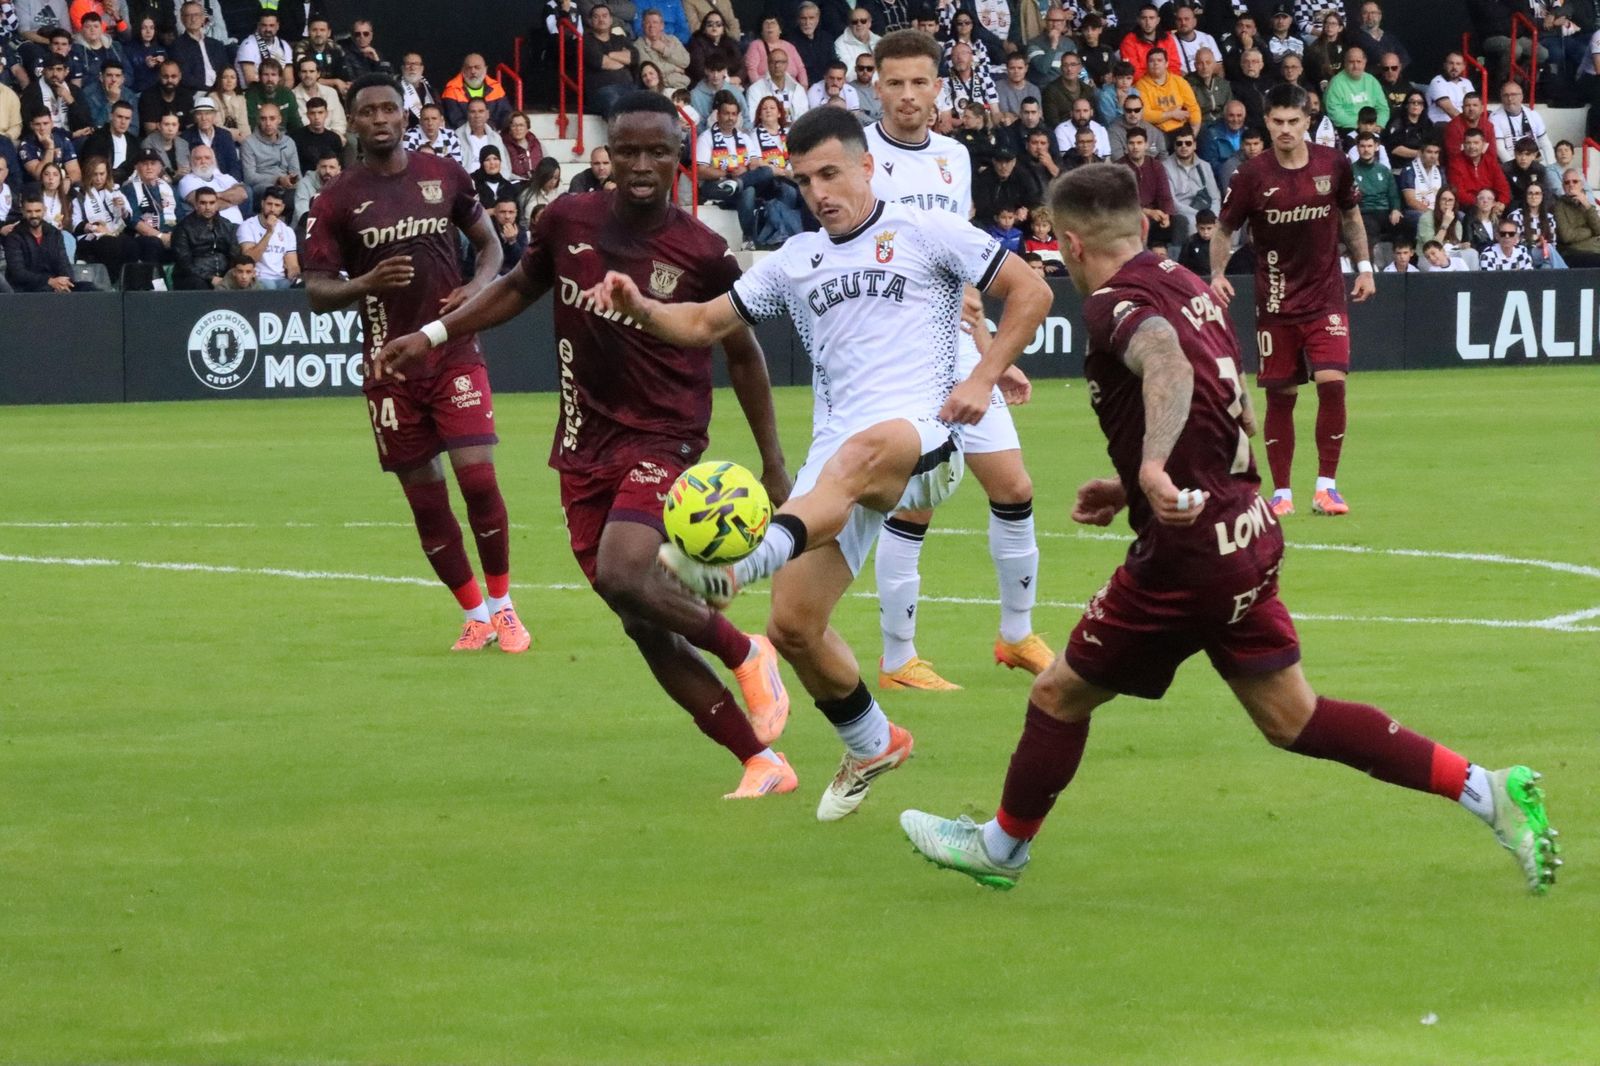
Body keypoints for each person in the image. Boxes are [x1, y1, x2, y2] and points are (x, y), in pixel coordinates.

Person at [897, 161, 1560, 897]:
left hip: (1187, 556)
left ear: (1072, 247)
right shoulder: (1188, 285)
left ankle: (1001, 848)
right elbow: (1231, 400)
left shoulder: (1111, 305)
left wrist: (1149, 469)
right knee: (1292, 717)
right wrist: (1129, 485)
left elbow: (1167, 365)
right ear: (1144, 226)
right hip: (1247, 529)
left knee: (1059, 694)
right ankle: (1486, 790)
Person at [589, 105, 1051, 819]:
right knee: (793, 627)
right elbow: (705, 323)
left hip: (923, 435)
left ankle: (732, 568)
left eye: (831, 174)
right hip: (836, 461)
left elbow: (1033, 289)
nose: (819, 192)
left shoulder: (925, 231)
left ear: (868, 166)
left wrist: (984, 375)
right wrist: (641, 306)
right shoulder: (796, 261)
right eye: (805, 181)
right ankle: (873, 741)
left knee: (867, 451)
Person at [369, 91, 796, 800]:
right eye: (625, 149)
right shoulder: (568, 219)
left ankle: (748, 650)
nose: (639, 163)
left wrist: (774, 459)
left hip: (665, 435)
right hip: (582, 443)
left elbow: (745, 355)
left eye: (656, 151)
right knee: (640, 622)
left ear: (676, 158)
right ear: (606, 155)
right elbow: (516, 287)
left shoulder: (702, 250)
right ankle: (760, 761)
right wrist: (435, 336)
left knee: (628, 572)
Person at [302, 73, 529, 654]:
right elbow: (317, 289)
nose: (380, 118)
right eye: (368, 112)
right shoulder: (335, 200)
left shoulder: (444, 175)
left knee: (478, 477)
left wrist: (477, 289)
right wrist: (368, 281)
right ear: (353, 123)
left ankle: (505, 608)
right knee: (426, 498)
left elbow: (491, 247)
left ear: (405, 116)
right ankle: (474, 614)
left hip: (452, 350)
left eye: (389, 109)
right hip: (388, 368)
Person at [864, 29, 1054, 687]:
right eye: (896, 83)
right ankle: (897, 659)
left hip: (958, 350)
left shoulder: (952, 157)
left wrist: (991, 356)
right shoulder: (857, 157)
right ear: (876, 86)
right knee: (914, 503)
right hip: (897, 361)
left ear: (938, 87)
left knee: (1015, 488)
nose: (909, 95)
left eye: (921, 82)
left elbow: (963, 271)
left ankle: (1016, 635)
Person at [1212, 83, 1369, 519]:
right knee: (1281, 397)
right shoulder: (1250, 176)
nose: (1285, 130)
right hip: (1276, 302)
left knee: (1332, 382)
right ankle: (1282, 492)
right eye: (1277, 122)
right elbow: (1224, 230)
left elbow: (1351, 216)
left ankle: (1327, 487)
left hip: (1326, 298)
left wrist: (1366, 267)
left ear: (1308, 122)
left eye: (1293, 122)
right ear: (1267, 122)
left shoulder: (1333, 164)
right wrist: (1220, 274)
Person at [4, 191, 88, 290]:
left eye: (37, 211)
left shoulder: (54, 233)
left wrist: (65, 282)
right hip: (28, 289)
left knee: (89, 288)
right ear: (23, 212)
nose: (34, 215)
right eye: (29, 211)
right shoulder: (14, 237)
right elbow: (18, 273)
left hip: (55, 285)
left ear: (44, 210)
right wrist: (49, 281)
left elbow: (63, 263)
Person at [170, 183, 237, 288]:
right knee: (199, 284)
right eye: (203, 203)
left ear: (217, 204)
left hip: (223, 275)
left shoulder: (227, 225)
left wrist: (229, 276)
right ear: (196, 204)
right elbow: (184, 263)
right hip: (192, 277)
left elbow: (234, 255)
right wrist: (210, 278)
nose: (208, 207)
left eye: (211, 203)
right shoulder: (183, 228)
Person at [235, 183, 297, 287]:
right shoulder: (247, 226)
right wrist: (269, 232)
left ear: (282, 208)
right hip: (258, 278)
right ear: (262, 203)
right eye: (269, 204)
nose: (272, 209)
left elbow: (293, 264)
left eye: (277, 205)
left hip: (280, 279)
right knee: (270, 286)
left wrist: (294, 276)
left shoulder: (287, 231)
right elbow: (250, 259)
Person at [1161, 125, 1216, 242]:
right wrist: (1199, 214)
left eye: (1188, 143)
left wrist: (1213, 214)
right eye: (1179, 143)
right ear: (1174, 146)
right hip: (1182, 213)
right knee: (1192, 223)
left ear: (1195, 145)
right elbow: (1172, 202)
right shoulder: (1165, 167)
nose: (1184, 147)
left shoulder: (1205, 166)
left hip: (1206, 210)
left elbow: (1215, 197)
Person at [1133, 48, 1198, 143]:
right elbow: (1145, 115)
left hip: (1183, 129)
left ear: (1166, 64)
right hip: (1158, 131)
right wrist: (1172, 114)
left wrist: (1193, 134)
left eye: (1159, 60)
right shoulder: (1141, 86)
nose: (1155, 63)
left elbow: (1193, 108)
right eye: (1151, 61)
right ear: (1147, 65)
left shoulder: (1179, 81)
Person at [1322, 46, 1387, 134]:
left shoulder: (1371, 81)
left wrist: (1378, 124)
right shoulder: (1336, 83)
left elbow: (1383, 108)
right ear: (1345, 63)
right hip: (1349, 130)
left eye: (1359, 62)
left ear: (1364, 62)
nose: (1355, 66)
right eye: (1351, 62)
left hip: (1374, 128)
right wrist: (1361, 127)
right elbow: (1335, 114)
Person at [176, 142, 245, 222]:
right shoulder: (187, 181)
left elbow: (243, 194)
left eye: (207, 158)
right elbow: (204, 206)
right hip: (212, 229)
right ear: (191, 161)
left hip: (238, 226)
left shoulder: (224, 177)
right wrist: (232, 200)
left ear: (213, 160)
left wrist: (217, 195)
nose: (203, 161)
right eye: (198, 158)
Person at [241, 101, 298, 198]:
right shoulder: (249, 143)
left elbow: (296, 172)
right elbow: (249, 178)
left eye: (272, 118)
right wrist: (278, 179)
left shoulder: (289, 142)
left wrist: (292, 180)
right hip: (262, 186)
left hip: (286, 184)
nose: (268, 123)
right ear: (258, 120)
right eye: (263, 119)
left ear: (279, 119)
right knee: (274, 191)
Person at [441, 53, 511, 130]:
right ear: (463, 70)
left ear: (485, 69)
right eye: (469, 68)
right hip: (461, 135)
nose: (473, 71)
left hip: (493, 132)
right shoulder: (451, 89)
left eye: (477, 67)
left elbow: (506, 114)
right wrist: (476, 132)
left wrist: (488, 129)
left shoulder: (496, 87)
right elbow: (455, 120)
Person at [1491, 80, 1553, 165]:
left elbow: (1545, 143)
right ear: (1501, 98)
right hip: (1510, 163)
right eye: (1506, 95)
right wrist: (1515, 169)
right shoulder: (1495, 118)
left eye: (1513, 95)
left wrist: (1551, 165)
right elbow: (1500, 149)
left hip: (1536, 161)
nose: (1509, 98)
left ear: (1521, 97)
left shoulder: (1533, 114)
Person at [1507, 181, 1566, 268]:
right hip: (1524, 254)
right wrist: (1534, 244)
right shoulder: (1516, 216)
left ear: (1542, 197)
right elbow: (1514, 244)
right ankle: (1567, 275)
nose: (1533, 197)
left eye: (1537, 194)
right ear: (1526, 197)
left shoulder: (1549, 218)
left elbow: (1553, 243)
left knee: (1547, 266)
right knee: (1548, 248)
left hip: (1544, 255)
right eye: (1530, 193)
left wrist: (1543, 245)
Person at [181, 95, 240, 181]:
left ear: (214, 115)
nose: (204, 118)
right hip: (199, 181)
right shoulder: (186, 137)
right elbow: (186, 168)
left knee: (247, 190)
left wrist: (234, 182)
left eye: (207, 113)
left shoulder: (225, 135)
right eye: (199, 114)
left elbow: (233, 164)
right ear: (194, 117)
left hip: (224, 178)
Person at [746, 45, 809, 123]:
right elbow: (753, 119)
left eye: (781, 62)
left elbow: (804, 119)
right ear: (768, 64)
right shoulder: (755, 89)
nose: (777, 66)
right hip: (767, 132)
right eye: (773, 62)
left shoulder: (798, 89)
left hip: (794, 133)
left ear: (787, 64)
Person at [1449, 128, 1509, 210]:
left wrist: (1501, 203)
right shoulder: (1456, 163)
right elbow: (1459, 193)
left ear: (1483, 144)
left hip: (1492, 206)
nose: (1472, 146)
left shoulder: (1491, 162)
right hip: (1468, 207)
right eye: (1468, 143)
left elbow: (1503, 187)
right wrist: (1481, 204)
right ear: (1463, 145)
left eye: (1476, 143)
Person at [635, 6, 693, 90]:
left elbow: (685, 61)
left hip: (680, 88)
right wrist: (675, 68)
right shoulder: (638, 45)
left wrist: (664, 50)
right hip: (657, 90)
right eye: (647, 23)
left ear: (662, 25)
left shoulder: (672, 39)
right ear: (643, 26)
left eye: (655, 22)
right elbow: (650, 71)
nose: (651, 26)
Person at [1553, 168, 1600, 266]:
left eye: (1575, 181)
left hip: (1595, 249)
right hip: (1574, 252)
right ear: (1563, 186)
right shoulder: (1559, 206)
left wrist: (1587, 205)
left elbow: (1599, 229)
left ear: (1581, 184)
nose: (1571, 185)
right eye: (1567, 182)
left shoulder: (1587, 204)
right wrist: (1591, 231)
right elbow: (1567, 236)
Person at [234, 9, 293, 86]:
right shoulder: (248, 45)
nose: (268, 29)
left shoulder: (284, 45)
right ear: (258, 25)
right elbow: (250, 81)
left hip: (278, 92)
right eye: (264, 25)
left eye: (271, 25)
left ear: (277, 26)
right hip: (252, 93)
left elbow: (289, 80)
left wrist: (281, 95)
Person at [293, 58, 346, 138]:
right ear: (299, 74)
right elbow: (301, 126)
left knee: (351, 141)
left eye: (312, 71)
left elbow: (339, 121)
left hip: (333, 137)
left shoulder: (331, 92)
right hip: (307, 139)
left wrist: (335, 136)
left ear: (318, 74)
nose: (308, 75)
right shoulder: (292, 96)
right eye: (304, 72)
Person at [1185, 48, 1230, 127]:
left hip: (1222, 124)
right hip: (1199, 125)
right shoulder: (1187, 84)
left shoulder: (1223, 84)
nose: (1205, 67)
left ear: (1214, 64)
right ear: (1195, 66)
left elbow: (1229, 108)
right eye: (1200, 63)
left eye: (1208, 63)